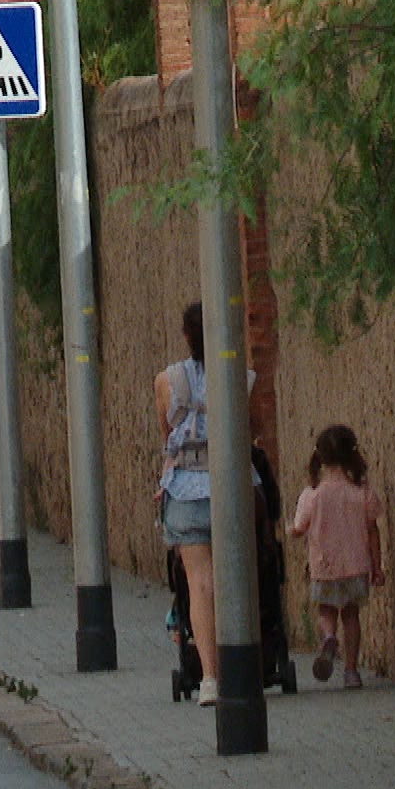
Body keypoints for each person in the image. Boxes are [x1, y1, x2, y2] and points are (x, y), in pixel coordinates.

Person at [156, 301, 258, 707]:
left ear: (186, 336)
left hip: (185, 487)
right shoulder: (240, 378)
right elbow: (254, 429)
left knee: (199, 582)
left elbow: (166, 435)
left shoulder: (167, 380)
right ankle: (245, 665)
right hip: (232, 483)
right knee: (237, 574)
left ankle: (211, 677)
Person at [290, 425, 384, 689]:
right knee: (351, 615)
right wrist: (378, 567)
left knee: (326, 610)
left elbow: (299, 529)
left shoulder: (312, 494)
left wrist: (290, 530)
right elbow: (373, 530)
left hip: (324, 566)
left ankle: (329, 637)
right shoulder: (361, 491)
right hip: (356, 565)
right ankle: (352, 672)